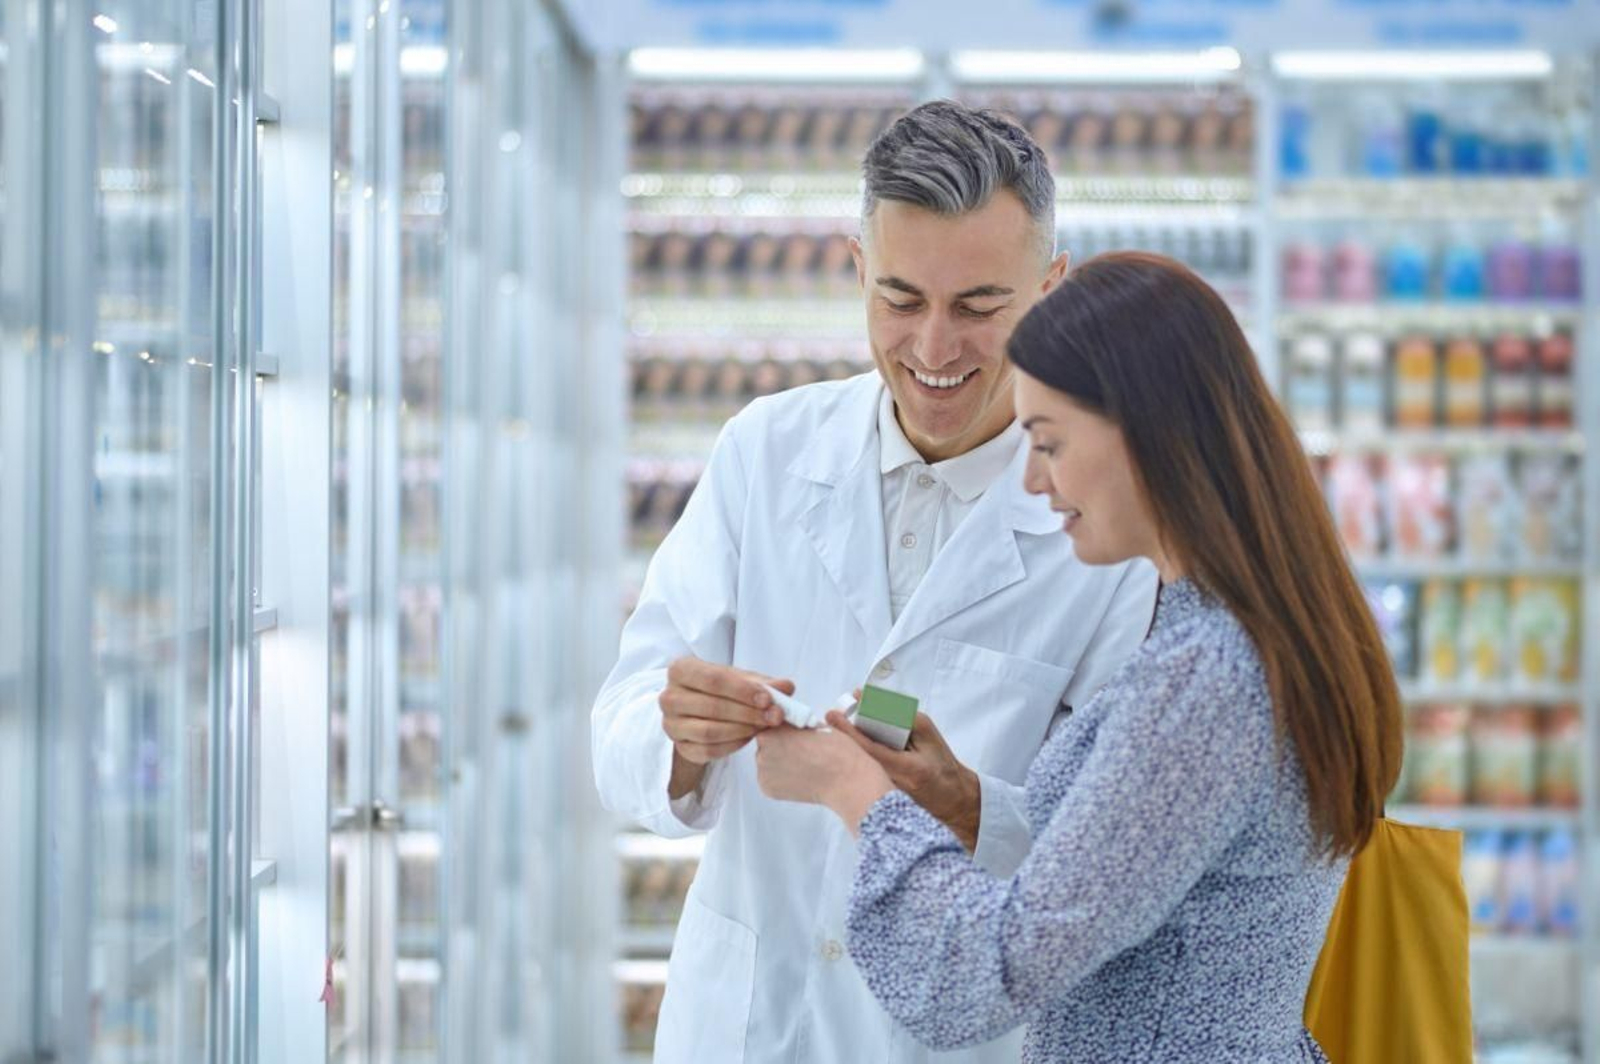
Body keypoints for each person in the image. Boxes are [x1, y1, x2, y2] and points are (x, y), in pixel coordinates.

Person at [590, 102, 1157, 1064]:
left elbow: (1110, 859)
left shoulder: (1108, 526)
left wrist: (967, 802)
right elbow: (621, 725)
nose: (934, 349)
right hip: (751, 1018)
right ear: (858, 272)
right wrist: (679, 739)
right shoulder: (765, 450)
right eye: (900, 300)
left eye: (978, 308)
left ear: (1051, 293)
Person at [755, 252, 1405, 1062]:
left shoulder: (1205, 676)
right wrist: (959, 797)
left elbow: (980, 978)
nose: (1033, 480)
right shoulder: (1236, 628)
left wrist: (852, 790)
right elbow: (1140, 864)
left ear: (1153, 435)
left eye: (1048, 442)